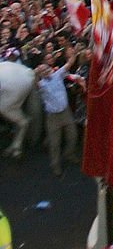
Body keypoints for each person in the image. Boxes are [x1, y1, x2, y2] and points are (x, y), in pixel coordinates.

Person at [35, 46, 79, 176]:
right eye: (43, 71)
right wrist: (36, 72)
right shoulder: (41, 84)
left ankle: (69, 153)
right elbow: (34, 81)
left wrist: (73, 53)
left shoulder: (58, 74)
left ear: (50, 68)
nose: (46, 71)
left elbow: (70, 62)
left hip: (65, 113)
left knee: (73, 135)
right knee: (55, 143)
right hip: (52, 117)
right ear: (41, 74)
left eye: (47, 69)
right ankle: (55, 165)